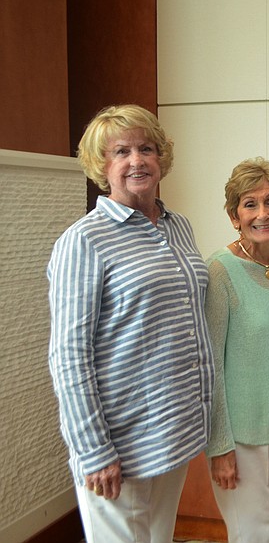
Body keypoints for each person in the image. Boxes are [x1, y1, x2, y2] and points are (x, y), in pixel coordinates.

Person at [47, 104, 214, 543]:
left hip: (173, 432)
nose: (136, 160)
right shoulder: (84, 240)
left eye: (146, 148)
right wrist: (93, 450)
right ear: (102, 166)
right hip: (119, 444)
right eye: (120, 152)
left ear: (162, 158)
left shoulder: (178, 227)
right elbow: (69, 357)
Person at [205, 157, 269, 542]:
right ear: (234, 216)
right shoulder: (220, 270)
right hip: (240, 433)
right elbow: (210, 363)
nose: (263, 214)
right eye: (250, 204)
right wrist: (219, 447)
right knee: (254, 534)